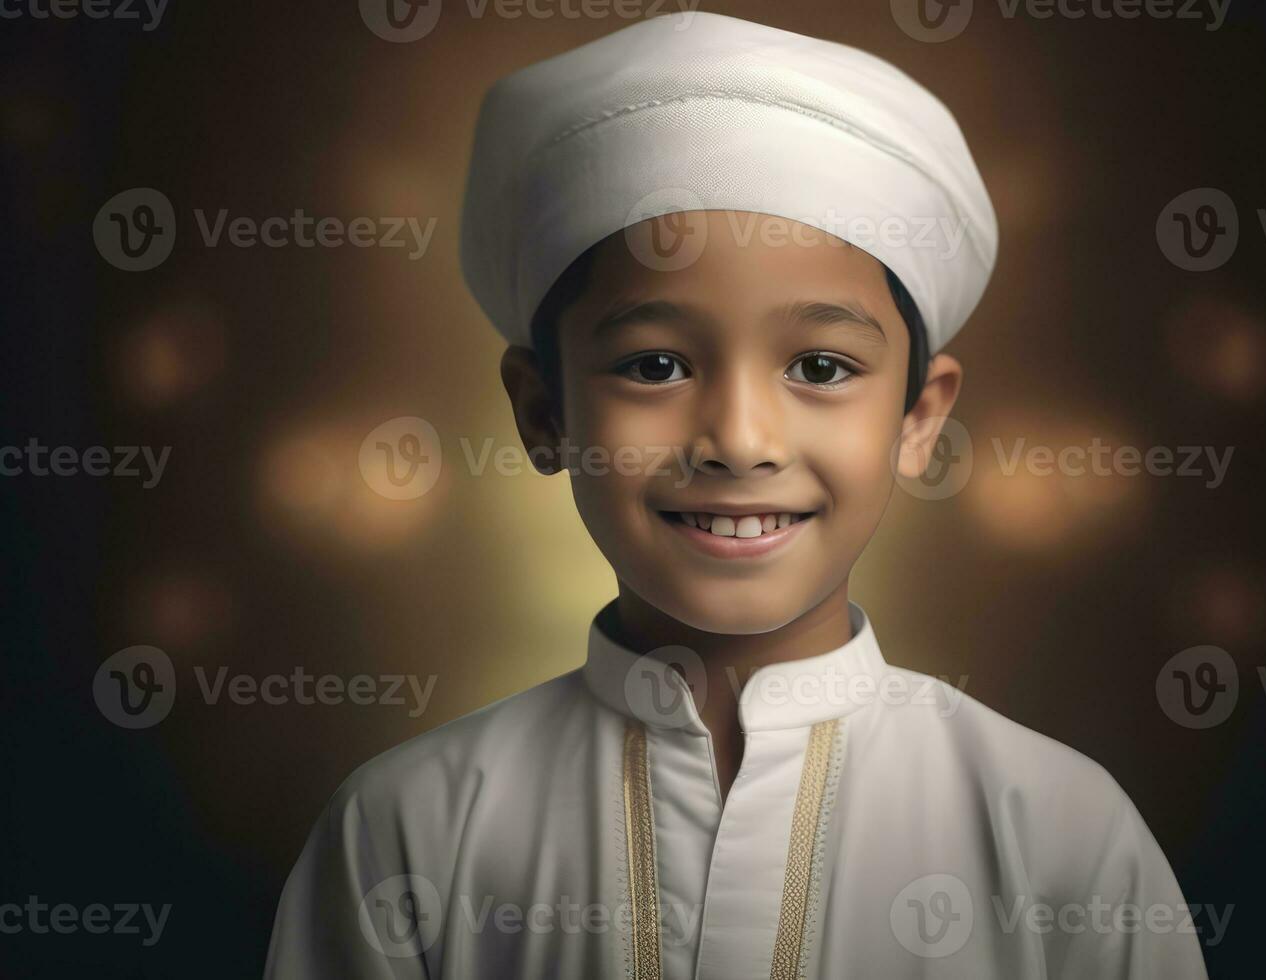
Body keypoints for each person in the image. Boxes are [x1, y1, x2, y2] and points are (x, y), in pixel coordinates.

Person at [264, 12, 1209, 978]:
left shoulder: (1058, 833)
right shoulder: (412, 829)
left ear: (919, 419)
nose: (742, 441)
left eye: (822, 365)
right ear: (544, 412)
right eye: (657, 363)